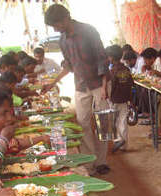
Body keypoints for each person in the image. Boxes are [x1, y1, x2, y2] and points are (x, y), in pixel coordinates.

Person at [44, 4, 111, 175]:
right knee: (82, 123)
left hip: (99, 84)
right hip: (81, 85)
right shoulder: (62, 40)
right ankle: (90, 161)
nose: (56, 29)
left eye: (57, 25)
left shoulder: (89, 31)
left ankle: (102, 161)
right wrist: (53, 82)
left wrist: (104, 87)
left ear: (66, 18)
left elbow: (102, 60)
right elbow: (68, 65)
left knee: (103, 124)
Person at [105, 45, 134, 152]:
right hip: (124, 99)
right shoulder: (126, 69)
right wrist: (130, 99)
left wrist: (108, 97)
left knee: (114, 122)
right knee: (123, 121)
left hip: (114, 99)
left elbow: (111, 86)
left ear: (111, 57)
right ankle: (123, 144)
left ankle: (118, 140)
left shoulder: (112, 70)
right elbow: (131, 84)